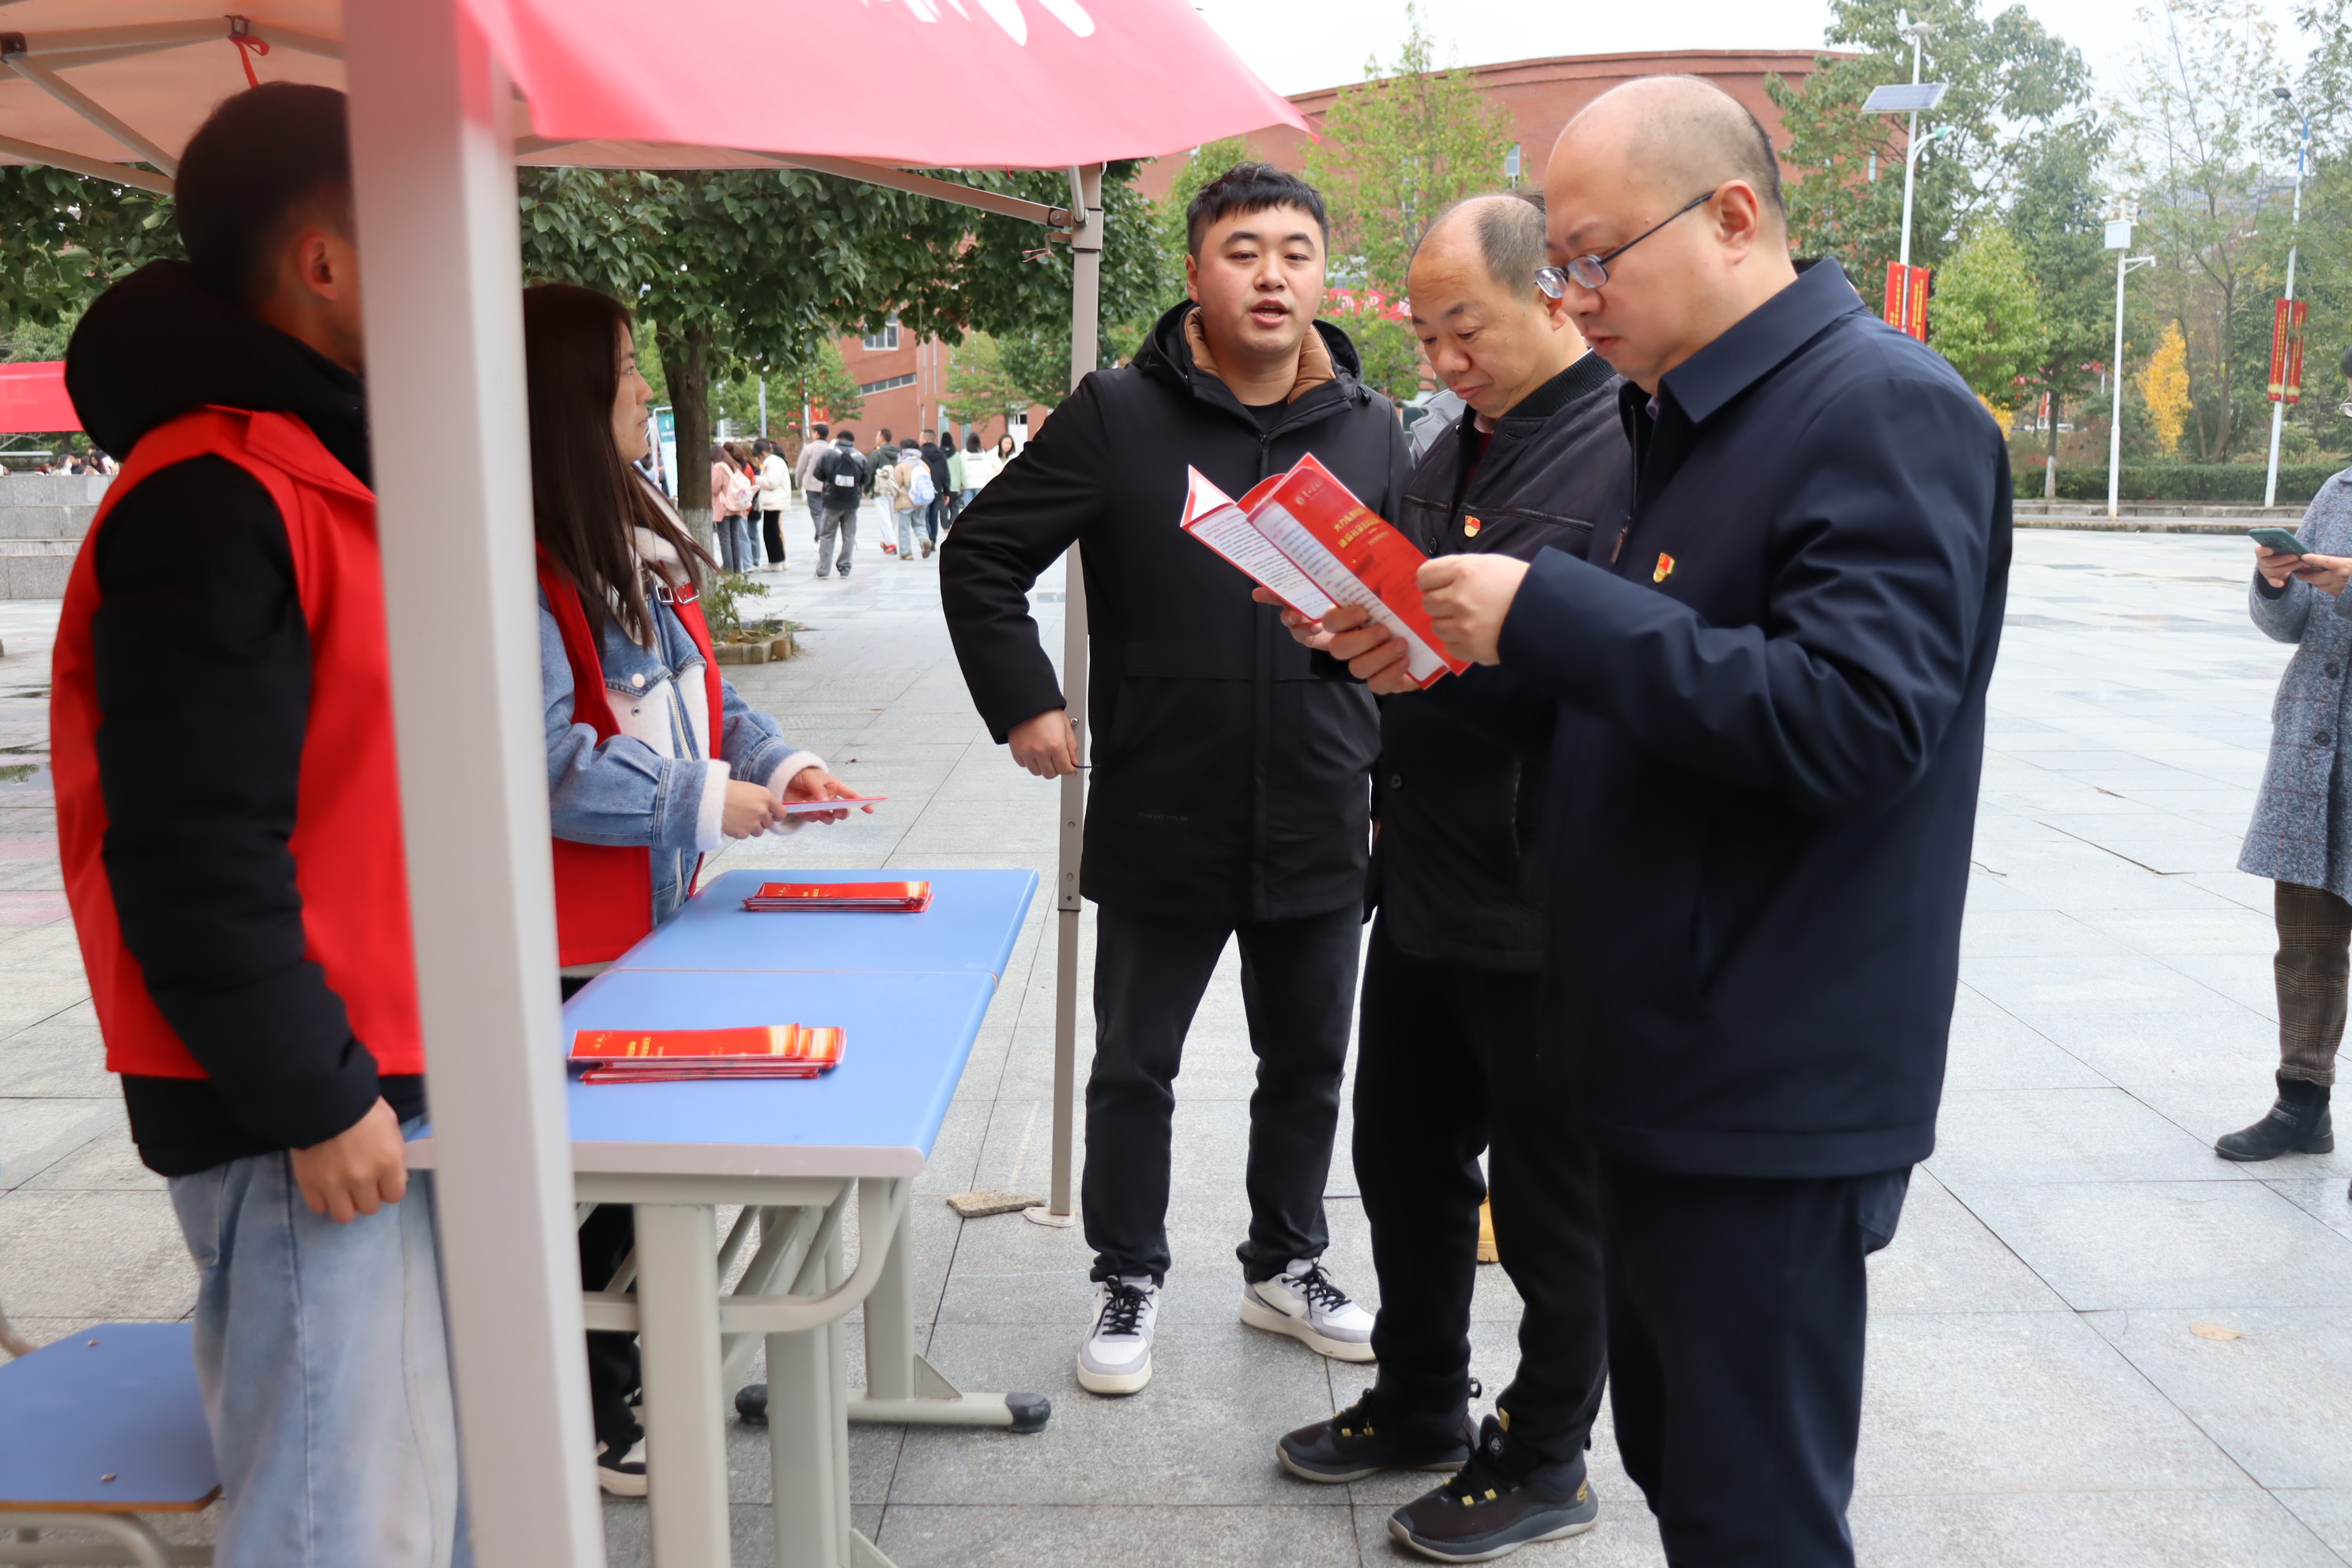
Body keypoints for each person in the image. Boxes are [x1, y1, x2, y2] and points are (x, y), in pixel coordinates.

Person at [1290, 79, 2009, 1567]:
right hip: (1655, 1036)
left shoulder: (1880, 407)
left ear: (1733, 216)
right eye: (1561, 264)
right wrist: (1451, 664)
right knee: (1682, 1461)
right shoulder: (1681, 416)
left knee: (1752, 1504)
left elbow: (1859, 721)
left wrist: (1550, 610)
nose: (1574, 294)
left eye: (1595, 257)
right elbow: (1640, 708)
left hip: (1767, 1060)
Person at [52, 83, 470, 1566]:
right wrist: (311, 1093)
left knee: (410, 1500)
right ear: (326, 261)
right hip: (301, 1093)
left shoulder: (317, 469)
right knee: (334, 1518)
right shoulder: (215, 495)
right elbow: (191, 837)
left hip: (370, 1062)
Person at [940, 162, 1408, 1397]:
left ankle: (1286, 1263)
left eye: (1297, 252)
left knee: (1306, 1064)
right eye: (1244, 251)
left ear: (1324, 274)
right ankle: (1127, 1272)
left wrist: (1394, 785)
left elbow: (1402, 624)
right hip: (1162, 802)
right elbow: (981, 555)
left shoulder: (1372, 426)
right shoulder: (1118, 414)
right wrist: (1027, 701)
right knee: (1133, 1066)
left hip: (1320, 802)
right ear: (1198, 273)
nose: (1273, 276)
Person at [1272, 193, 1620, 1563]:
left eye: (1461, 327)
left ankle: (1544, 1454)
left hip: (1542, 889)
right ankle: (1421, 1394)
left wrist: (1453, 651)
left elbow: (1614, 669)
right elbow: (1408, 614)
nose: (1440, 359)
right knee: (1402, 1153)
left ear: (1549, 293)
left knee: (1546, 1198)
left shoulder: (1624, 448)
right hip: (1424, 861)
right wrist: (1333, 617)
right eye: (1423, 334)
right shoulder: (1446, 442)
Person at [522, 283, 862, 1494]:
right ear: (563, 393)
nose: (641, 388)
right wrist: (705, 798)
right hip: (566, 940)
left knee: (628, 1193)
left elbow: (704, 694)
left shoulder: (624, 535)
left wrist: (781, 762)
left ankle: (629, 1381)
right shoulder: (515, 564)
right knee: (592, 1201)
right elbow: (544, 762)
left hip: (648, 922)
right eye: (623, 368)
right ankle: (588, 1415)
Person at [2222, 344, 2352, 1171]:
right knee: (2306, 935)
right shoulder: (2339, 491)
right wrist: (2277, 579)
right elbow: (2291, 623)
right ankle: (2301, 1103)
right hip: (2317, 744)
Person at [812, 427, 868, 578]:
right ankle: (845, 567)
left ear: (837, 439)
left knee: (827, 535)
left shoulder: (828, 454)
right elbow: (865, 478)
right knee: (849, 536)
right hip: (852, 502)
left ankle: (823, 570)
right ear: (853, 442)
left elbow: (817, 473)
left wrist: (830, 480)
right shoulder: (860, 457)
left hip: (832, 501)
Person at [709, 443, 752, 573]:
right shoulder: (733, 465)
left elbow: (715, 488)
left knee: (725, 538)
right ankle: (737, 569)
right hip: (736, 505)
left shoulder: (719, 467)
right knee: (735, 537)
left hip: (724, 507)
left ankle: (728, 569)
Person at [890, 444, 935, 560]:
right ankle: (924, 540)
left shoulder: (901, 465)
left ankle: (906, 553)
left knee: (904, 528)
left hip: (905, 502)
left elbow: (895, 484)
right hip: (921, 501)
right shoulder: (924, 465)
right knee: (919, 524)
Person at [754, 435, 793, 567]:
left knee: (771, 533)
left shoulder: (773, 462)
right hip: (774, 501)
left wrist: (756, 479)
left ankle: (775, 562)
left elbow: (772, 483)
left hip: (774, 501)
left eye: (759, 456)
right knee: (774, 531)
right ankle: (780, 560)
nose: (759, 459)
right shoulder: (775, 461)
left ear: (764, 452)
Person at [796, 420, 831, 543]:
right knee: (825, 512)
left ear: (816, 433)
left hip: (811, 485)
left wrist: (798, 482)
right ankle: (821, 535)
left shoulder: (809, 449)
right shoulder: (831, 450)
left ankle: (821, 536)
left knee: (816, 513)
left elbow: (800, 468)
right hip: (828, 486)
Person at [873, 438, 907, 556]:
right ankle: (889, 541)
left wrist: (866, 488)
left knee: (884, 517)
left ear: (882, 437)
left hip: (881, 489)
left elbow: (870, 469)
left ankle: (891, 544)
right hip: (896, 488)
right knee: (893, 517)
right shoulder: (900, 454)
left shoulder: (877, 453)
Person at [919, 436, 951, 544]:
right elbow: (946, 474)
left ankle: (928, 539)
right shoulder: (941, 455)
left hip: (924, 491)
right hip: (937, 490)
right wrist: (947, 492)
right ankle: (933, 539)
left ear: (925, 439)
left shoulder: (920, 454)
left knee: (925, 516)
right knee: (934, 517)